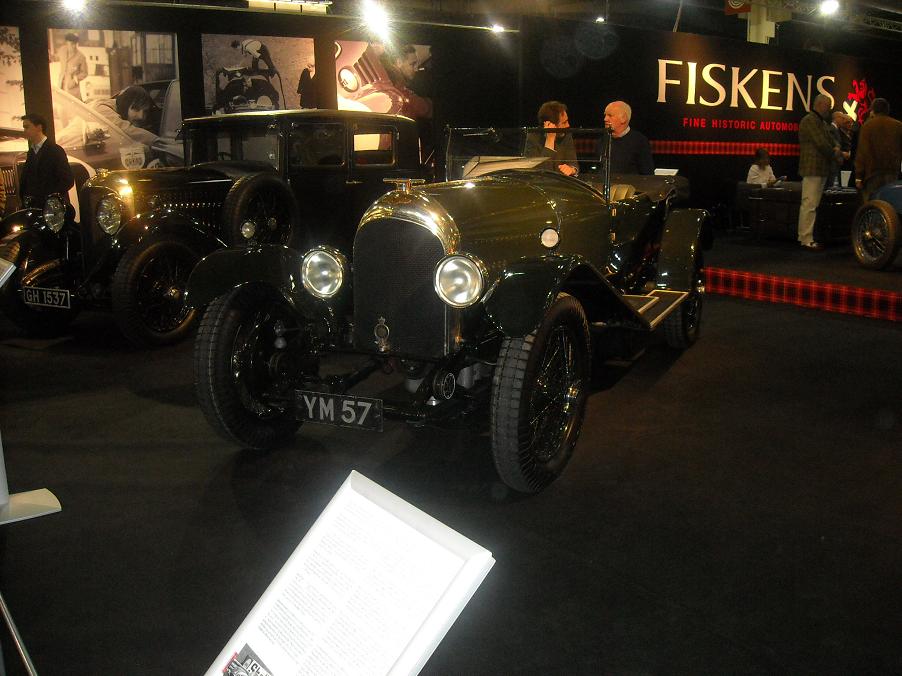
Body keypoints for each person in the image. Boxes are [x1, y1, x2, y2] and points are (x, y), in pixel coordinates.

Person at [796, 94, 841, 251]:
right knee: (809, 204)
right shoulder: (809, 120)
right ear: (820, 104)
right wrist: (835, 152)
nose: (829, 110)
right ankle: (806, 239)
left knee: (812, 204)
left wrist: (835, 148)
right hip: (812, 168)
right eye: (828, 106)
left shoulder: (821, 122)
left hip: (820, 168)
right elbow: (822, 143)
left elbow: (832, 141)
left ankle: (806, 236)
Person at [19, 113, 74, 210]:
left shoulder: (55, 150)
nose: (24, 131)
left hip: (52, 209)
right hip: (35, 208)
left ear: (39, 127)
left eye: (27, 127)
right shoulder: (31, 152)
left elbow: (67, 180)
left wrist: (49, 197)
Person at [854, 98, 902, 201]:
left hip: (872, 174)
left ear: (873, 109)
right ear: (887, 109)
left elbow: (862, 152)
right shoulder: (898, 125)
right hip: (892, 172)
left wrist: (859, 176)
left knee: (872, 204)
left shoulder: (867, 126)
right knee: (889, 204)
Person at [91, 86, 159, 148]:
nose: (141, 116)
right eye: (136, 109)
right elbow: (124, 129)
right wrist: (158, 141)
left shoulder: (119, 109)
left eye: (145, 111)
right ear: (125, 105)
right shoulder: (102, 108)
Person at [525, 101, 578, 177]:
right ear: (550, 124)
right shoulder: (533, 138)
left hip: (563, 181)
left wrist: (572, 169)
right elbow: (542, 173)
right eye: (564, 122)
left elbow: (574, 163)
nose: (568, 125)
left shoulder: (566, 135)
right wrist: (550, 140)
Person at [380, 44, 433, 120]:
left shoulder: (389, 80)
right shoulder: (396, 87)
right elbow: (424, 108)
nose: (416, 69)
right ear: (399, 62)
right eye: (412, 64)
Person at [603, 100, 654, 175]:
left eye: (610, 115)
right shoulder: (602, 141)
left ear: (623, 118)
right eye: (605, 115)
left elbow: (647, 174)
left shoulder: (640, 141)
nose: (605, 119)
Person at [58, 33, 88, 100]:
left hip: (73, 88)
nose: (73, 46)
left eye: (74, 44)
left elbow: (85, 73)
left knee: (73, 104)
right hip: (61, 85)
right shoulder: (62, 50)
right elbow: (56, 58)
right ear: (67, 43)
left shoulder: (81, 56)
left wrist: (75, 80)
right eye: (71, 44)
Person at [828, 111, 852, 187]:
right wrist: (842, 153)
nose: (843, 120)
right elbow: (832, 145)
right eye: (842, 118)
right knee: (831, 186)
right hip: (833, 161)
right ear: (837, 118)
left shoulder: (836, 129)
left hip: (837, 162)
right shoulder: (831, 128)